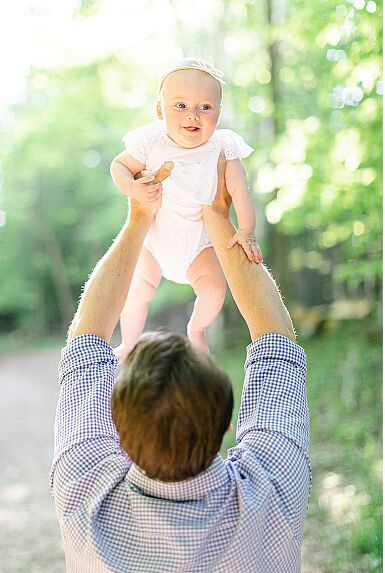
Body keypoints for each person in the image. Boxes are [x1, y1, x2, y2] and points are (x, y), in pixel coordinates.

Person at [51, 153, 310, 572]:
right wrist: (215, 212)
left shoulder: (83, 494)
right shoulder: (274, 486)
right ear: (227, 426)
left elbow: (86, 339)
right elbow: (276, 339)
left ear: (115, 428)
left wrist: (139, 219)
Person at [111, 57, 262, 360]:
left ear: (219, 112)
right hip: (155, 240)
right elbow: (119, 166)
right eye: (180, 106)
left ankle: (197, 329)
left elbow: (239, 190)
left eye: (205, 107)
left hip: (199, 245)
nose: (193, 115)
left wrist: (246, 230)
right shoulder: (152, 142)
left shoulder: (222, 147)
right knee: (137, 290)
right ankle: (129, 342)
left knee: (215, 289)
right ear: (159, 111)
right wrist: (132, 187)